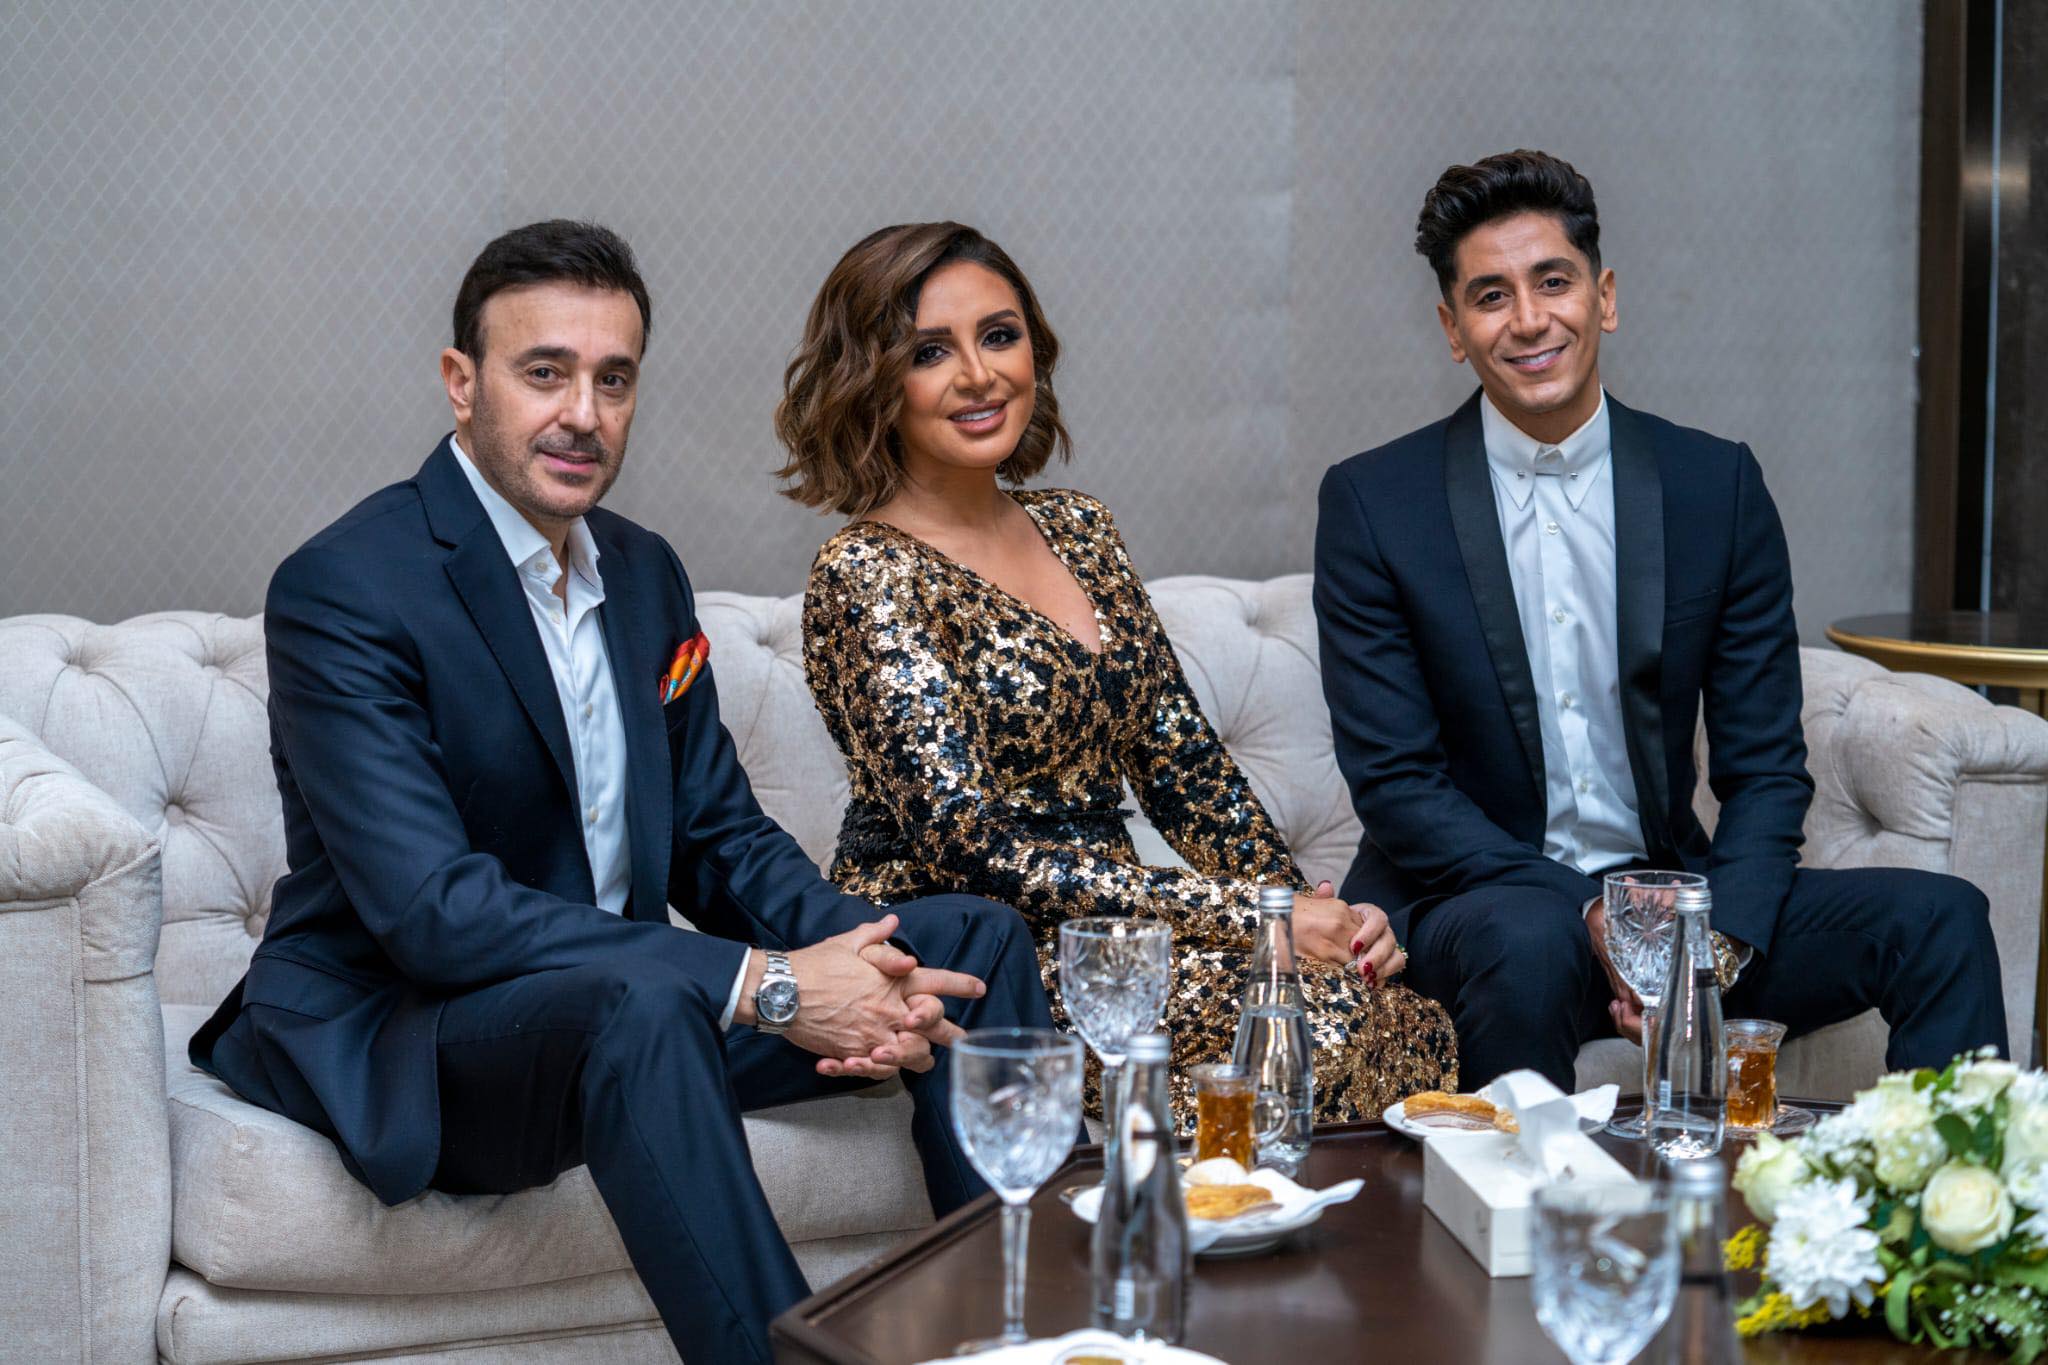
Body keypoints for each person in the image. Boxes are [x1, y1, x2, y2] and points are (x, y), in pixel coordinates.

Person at [187, 220, 1054, 1365]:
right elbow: (434, 913)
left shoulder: (641, 572)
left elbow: (717, 835)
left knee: (972, 943)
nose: (582, 415)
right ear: (461, 382)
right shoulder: (346, 588)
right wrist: (768, 986)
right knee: (643, 1007)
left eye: (612, 379)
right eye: (543, 373)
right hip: (424, 1028)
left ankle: (1039, 1338)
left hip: (633, 1013)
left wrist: (863, 963)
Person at [1312, 150, 2007, 1093]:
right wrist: (1595, 915)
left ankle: (1949, 1186)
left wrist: (1708, 947)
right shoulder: (1374, 503)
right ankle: (1524, 1194)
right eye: (1490, 296)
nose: (1529, 319)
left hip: (1674, 902)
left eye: (1553, 282)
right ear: (1452, 330)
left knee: (1942, 918)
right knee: (1529, 937)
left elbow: (1766, 767)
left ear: (1604, 298)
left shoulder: (1713, 486)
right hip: (1475, 904)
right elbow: (1399, 787)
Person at [777, 221, 1457, 1127]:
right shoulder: (865, 571)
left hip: (1120, 927)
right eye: (930, 351)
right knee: (1317, 1034)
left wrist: (1301, 911)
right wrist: (1256, 921)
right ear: (872, 380)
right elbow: (973, 848)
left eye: (999, 335)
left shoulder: (1080, 528)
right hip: (977, 942)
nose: (978, 374)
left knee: (1399, 1012)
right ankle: (1174, 1209)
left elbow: (1187, 770)